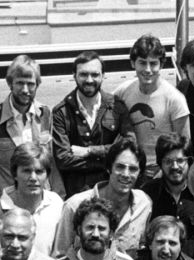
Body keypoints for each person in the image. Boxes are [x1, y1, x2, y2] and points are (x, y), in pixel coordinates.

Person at [0, 54, 64, 202]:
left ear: (37, 84)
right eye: (20, 83)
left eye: (30, 84)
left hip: (41, 200)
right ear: (10, 83)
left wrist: (59, 198)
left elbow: (52, 162)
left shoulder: (45, 114)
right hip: (7, 202)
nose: (25, 90)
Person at [52, 50, 134, 196]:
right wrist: (109, 162)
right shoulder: (61, 112)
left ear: (103, 76)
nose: (89, 80)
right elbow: (63, 159)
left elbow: (130, 144)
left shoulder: (117, 107)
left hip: (111, 191)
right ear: (74, 75)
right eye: (83, 74)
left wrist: (90, 151)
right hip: (76, 194)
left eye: (95, 74)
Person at [54, 140, 154, 256]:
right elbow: (59, 256)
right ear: (108, 168)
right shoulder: (75, 205)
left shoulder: (144, 204)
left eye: (133, 169)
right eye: (120, 167)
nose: (126, 174)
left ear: (140, 173)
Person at [115, 33, 191, 180]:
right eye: (142, 63)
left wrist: (162, 173)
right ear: (133, 63)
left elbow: (184, 146)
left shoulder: (175, 99)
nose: (148, 69)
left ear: (161, 65)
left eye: (153, 63)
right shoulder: (123, 92)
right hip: (130, 168)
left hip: (161, 171)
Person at [0, 142, 66, 256]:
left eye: (39, 172)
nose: (33, 178)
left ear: (47, 175)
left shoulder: (56, 204)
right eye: (26, 171)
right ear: (15, 174)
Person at [142, 133, 194, 260]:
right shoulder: (148, 194)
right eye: (168, 161)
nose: (175, 167)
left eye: (180, 161)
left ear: (189, 162)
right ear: (160, 163)